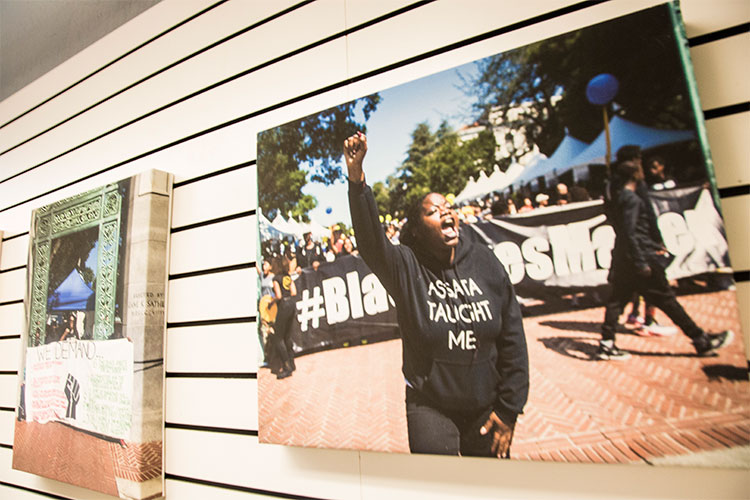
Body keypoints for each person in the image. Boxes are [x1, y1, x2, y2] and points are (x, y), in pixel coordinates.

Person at [344, 132, 529, 458]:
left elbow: (512, 336)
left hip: (486, 407)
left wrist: (509, 408)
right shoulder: (406, 266)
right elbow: (372, 244)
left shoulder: (486, 262)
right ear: (416, 229)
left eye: (449, 206)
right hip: (429, 404)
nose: (447, 212)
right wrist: (357, 181)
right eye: (434, 210)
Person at [597, 160, 733, 360]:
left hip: (625, 258)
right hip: (639, 259)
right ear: (635, 173)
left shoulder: (615, 196)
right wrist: (642, 261)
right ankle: (700, 339)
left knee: (617, 301)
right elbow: (630, 233)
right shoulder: (631, 199)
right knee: (666, 299)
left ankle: (606, 344)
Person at [271, 255, 297, 379]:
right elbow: (294, 292)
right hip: (291, 304)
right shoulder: (287, 276)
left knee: (278, 338)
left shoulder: (276, 278)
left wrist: (271, 302)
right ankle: (292, 363)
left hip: (284, 306)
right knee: (287, 336)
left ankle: (286, 367)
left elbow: (278, 295)